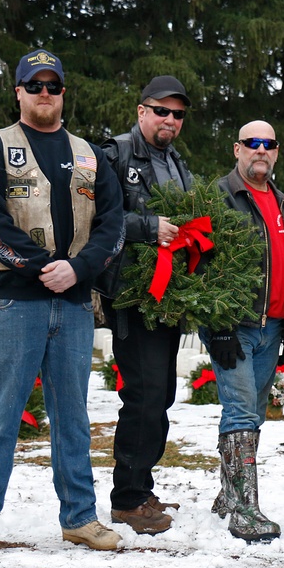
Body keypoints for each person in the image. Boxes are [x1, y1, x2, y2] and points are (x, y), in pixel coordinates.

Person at [0, 49, 125, 554]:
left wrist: (78, 268)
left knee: (72, 416)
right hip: (15, 304)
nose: (45, 93)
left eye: (53, 85)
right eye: (35, 85)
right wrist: (39, 266)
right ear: (19, 92)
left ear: (63, 93)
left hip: (73, 305)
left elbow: (112, 225)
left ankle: (79, 518)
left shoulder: (89, 155)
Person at [94, 75, 194, 535]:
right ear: (141, 112)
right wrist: (147, 227)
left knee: (163, 396)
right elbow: (97, 218)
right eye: (161, 111)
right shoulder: (113, 156)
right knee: (144, 394)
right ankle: (127, 498)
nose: (170, 120)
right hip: (133, 296)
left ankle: (141, 485)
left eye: (177, 114)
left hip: (168, 299)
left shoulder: (177, 163)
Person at [199, 120, 284, 542]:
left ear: (276, 151)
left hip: (271, 328)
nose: (261, 150)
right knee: (239, 411)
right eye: (252, 143)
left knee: (254, 414)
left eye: (269, 144)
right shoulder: (220, 197)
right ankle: (245, 510)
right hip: (233, 327)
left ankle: (228, 496)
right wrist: (215, 325)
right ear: (236, 149)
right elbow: (199, 262)